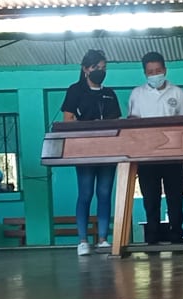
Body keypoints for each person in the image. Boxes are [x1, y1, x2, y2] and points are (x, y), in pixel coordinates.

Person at [60, 49, 121, 256]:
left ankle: (103, 239)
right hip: (84, 150)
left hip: (108, 151)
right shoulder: (75, 91)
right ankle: (83, 240)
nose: (100, 71)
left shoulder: (110, 94)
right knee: (85, 193)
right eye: (96, 67)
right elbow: (68, 119)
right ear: (86, 69)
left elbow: (116, 122)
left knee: (104, 193)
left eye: (103, 68)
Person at [128, 52, 183, 245]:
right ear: (145, 73)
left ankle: (177, 236)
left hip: (173, 156)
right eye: (150, 72)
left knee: (175, 199)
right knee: (151, 200)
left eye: (158, 70)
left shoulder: (177, 93)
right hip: (147, 157)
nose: (155, 74)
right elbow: (132, 125)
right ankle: (152, 238)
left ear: (165, 70)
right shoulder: (137, 94)